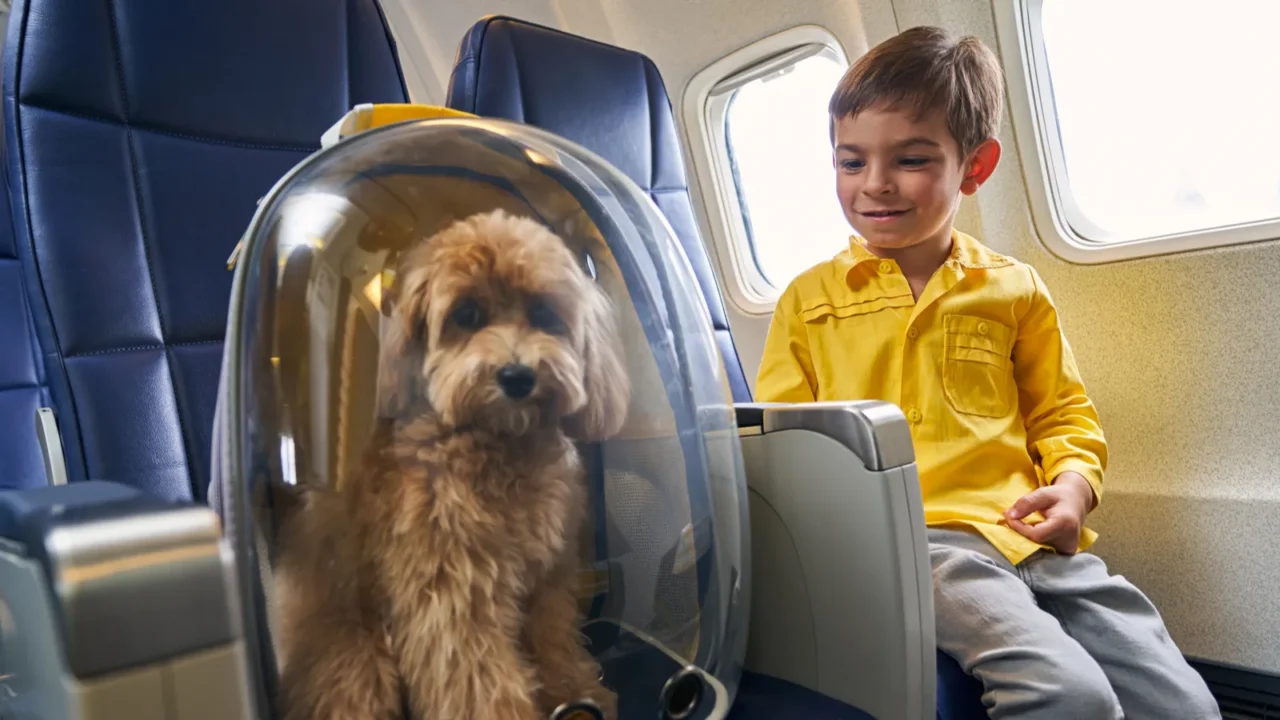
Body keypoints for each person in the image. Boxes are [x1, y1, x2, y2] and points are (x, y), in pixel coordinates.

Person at [754, 25, 1220, 719]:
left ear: (975, 166)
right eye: (850, 162)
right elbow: (785, 452)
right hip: (916, 545)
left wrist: (1072, 491)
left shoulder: (1014, 289)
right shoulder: (808, 301)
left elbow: (1063, 415)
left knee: (1183, 703)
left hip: (1029, 534)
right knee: (1069, 696)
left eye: (910, 159)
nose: (874, 184)